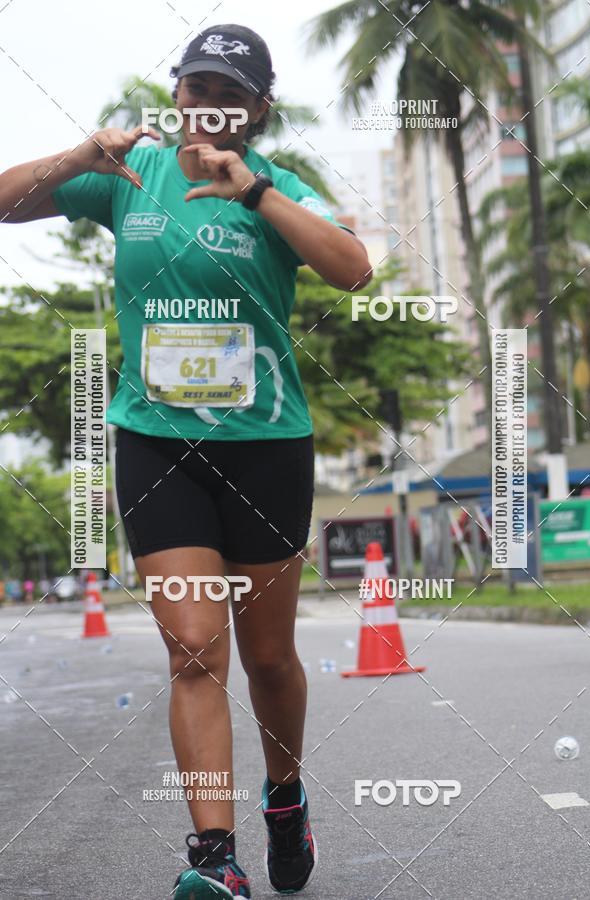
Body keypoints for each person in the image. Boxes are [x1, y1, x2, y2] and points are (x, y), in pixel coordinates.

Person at [0, 23, 372, 899]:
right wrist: (75, 154)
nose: (211, 106)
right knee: (195, 650)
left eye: (231, 95)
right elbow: (5, 200)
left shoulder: (275, 183)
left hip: (267, 446)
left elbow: (353, 270)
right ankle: (216, 858)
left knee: (269, 658)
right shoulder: (130, 175)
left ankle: (287, 800)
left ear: (259, 112)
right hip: (157, 441)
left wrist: (256, 196)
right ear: (177, 95)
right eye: (198, 88)